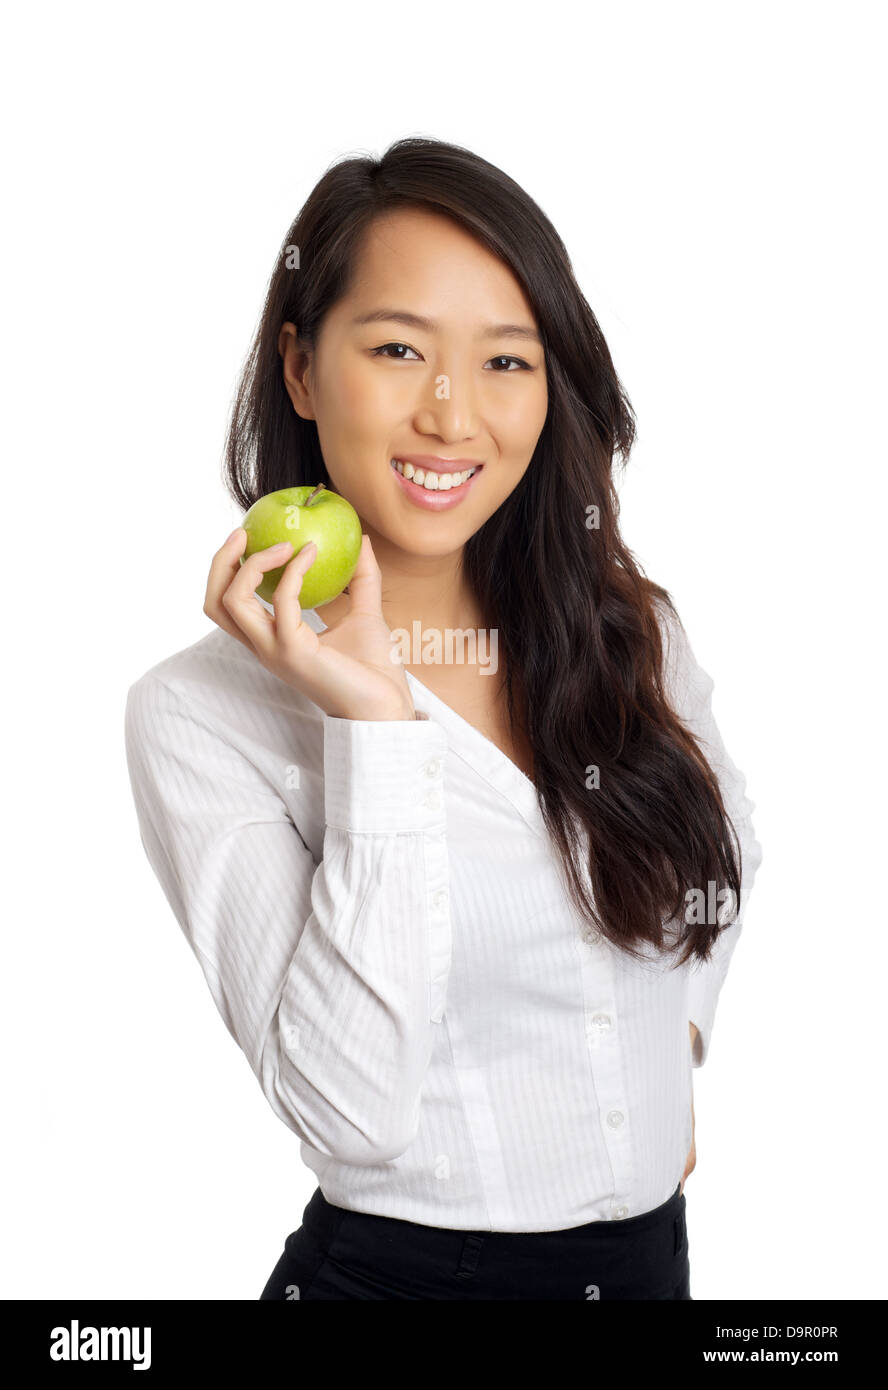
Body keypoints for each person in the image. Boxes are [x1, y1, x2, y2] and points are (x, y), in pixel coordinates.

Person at [124, 137, 763, 1300]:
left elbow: (721, 857)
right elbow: (352, 1113)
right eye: (398, 347)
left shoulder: (630, 629)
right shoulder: (199, 716)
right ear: (303, 370)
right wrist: (375, 729)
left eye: (506, 361)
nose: (450, 412)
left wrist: (668, 1053)